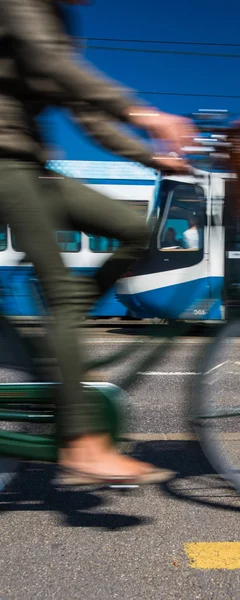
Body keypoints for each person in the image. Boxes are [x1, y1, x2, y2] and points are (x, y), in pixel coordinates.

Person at [0, 0, 195, 485]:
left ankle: (63, 330)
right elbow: (50, 63)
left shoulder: (61, 20)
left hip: (30, 165)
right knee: (62, 293)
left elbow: (88, 117)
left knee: (137, 230)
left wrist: (154, 160)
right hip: (4, 160)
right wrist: (146, 114)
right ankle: (84, 446)